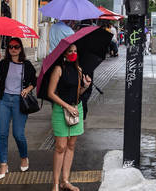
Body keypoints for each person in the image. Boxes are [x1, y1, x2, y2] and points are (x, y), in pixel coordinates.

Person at [0, 38, 37, 180]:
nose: (13, 49)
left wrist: (28, 89)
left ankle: (24, 157)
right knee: (2, 134)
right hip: (4, 101)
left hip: (19, 102)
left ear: (21, 49)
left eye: (16, 47)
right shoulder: (4, 63)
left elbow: (34, 81)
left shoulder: (27, 65)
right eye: (10, 47)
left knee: (18, 134)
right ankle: (3, 164)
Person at [48, 44, 91, 191]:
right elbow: (51, 93)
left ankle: (65, 181)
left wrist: (85, 86)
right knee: (61, 147)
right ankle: (55, 183)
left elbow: (78, 92)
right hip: (61, 110)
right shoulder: (58, 69)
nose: (73, 54)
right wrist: (67, 106)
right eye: (70, 51)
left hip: (76, 108)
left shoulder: (79, 70)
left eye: (75, 51)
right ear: (64, 53)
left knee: (71, 145)